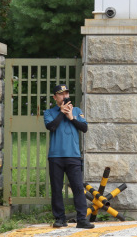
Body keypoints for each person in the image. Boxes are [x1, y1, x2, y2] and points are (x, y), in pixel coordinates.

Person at [44, 84, 94, 229]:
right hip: (56, 156)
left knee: (78, 188)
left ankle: (82, 219)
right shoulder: (49, 112)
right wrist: (61, 113)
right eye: (61, 94)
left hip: (73, 156)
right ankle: (60, 218)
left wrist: (71, 117)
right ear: (55, 97)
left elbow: (84, 128)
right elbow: (51, 127)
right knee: (56, 188)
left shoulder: (77, 111)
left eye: (66, 93)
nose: (64, 96)